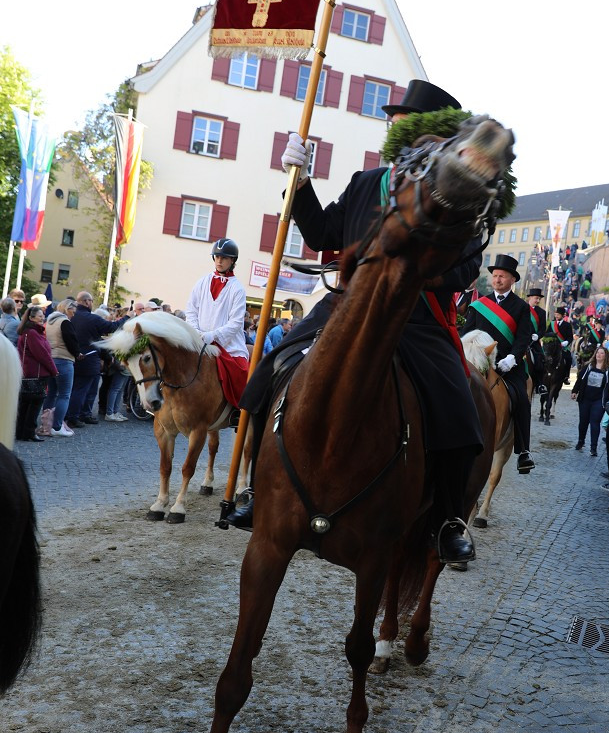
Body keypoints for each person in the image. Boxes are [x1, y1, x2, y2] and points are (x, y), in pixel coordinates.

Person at [231, 81, 499, 561]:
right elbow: (320, 234)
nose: (392, 128)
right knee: (266, 376)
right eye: (391, 121)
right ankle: (258, 491)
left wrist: (412, 270)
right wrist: (301, 182)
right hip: (344, 306)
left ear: (434, 135)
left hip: (415, 318)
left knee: (462, 412)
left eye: (403, 121)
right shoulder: (364, 183)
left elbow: (464, 269)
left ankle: (447, 520)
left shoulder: (457, 197)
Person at [462, 254, 535, 474]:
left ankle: (523, 451)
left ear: (513, 279)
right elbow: (466, 334)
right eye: (495, 276)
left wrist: (512, 358)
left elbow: (523, 337)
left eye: (502, 276)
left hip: (507, 366)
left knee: (522, 399)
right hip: (479, 361)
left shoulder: (521, 307)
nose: (497, 280)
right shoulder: (479, 305)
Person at [185, 237, 249, 412]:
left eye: (224, 258)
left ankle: (238, 411)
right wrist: (195, 331)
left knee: (241, 370)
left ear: (232, 261)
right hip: (198, 339)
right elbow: (191, 310)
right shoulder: (202, 282)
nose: (219, 261)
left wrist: (212, 336)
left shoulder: (238, 289)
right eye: (217, 257)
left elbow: (236, 323)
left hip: (228, 344)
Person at [65, 291, 121, 428]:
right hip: (88, 359)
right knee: (81, 390)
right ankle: (73, 416)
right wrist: (128, 317)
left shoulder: (73, 317)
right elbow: (112, 327)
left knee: (81, 389)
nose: (92, 303)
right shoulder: (91, 318)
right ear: (86, 302)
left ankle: (82, 414)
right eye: (91, 300)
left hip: (77, 358)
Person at [16, 305, 58, 442]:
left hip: (29, 372)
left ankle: (21, 432)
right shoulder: (33, 333)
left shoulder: (28, 331)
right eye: (40, 316)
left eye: (42, 315)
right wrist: (53, 370)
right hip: (36, 373)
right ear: (31, 318)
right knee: (34, 404)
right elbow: (42, 355)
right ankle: (28, 432)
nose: (42, 318)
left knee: (26, 404)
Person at [42, 298, 81, 437]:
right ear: (67, 309)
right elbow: (71, 342)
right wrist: (78, 354)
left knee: (51, 393)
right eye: (73, 311)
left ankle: (45, 424)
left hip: (51, 359)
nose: (74, 314)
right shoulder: (65, 322)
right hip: (64, 360)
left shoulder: (49, 321)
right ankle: (57, 426)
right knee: (64, 395)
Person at [571, 345, 609, 456]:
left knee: (595, 423)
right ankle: (581, 441)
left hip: (599, 401)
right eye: (597, 353)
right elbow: (580, 380)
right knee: (583, 422)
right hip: (585, 399)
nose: (599, 355)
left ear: (606, 356)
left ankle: (593, 448)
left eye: (602, 353)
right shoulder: (588, 366)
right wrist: (574, 391)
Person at [525, 288, 547, 395]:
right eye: (536, 298)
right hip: (521, 339)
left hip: (533, 342)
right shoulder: (522, 308)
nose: (537, 300)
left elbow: (543, 329)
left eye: (539, 299)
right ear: (530, 297)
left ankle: (539, 384)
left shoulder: (541, 313)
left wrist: (537, 335)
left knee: (540, 360)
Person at [547, 306, 573, 384]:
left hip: (562, 347)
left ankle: (566, 376)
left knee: (569, 359)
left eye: (558, 314)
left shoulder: (567, 325)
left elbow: (570, 337)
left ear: (562, 315)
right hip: (552, 346)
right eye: (556, 314)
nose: (556, 316)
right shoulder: (552, 324)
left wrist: (565, 342)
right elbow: (546, 333)